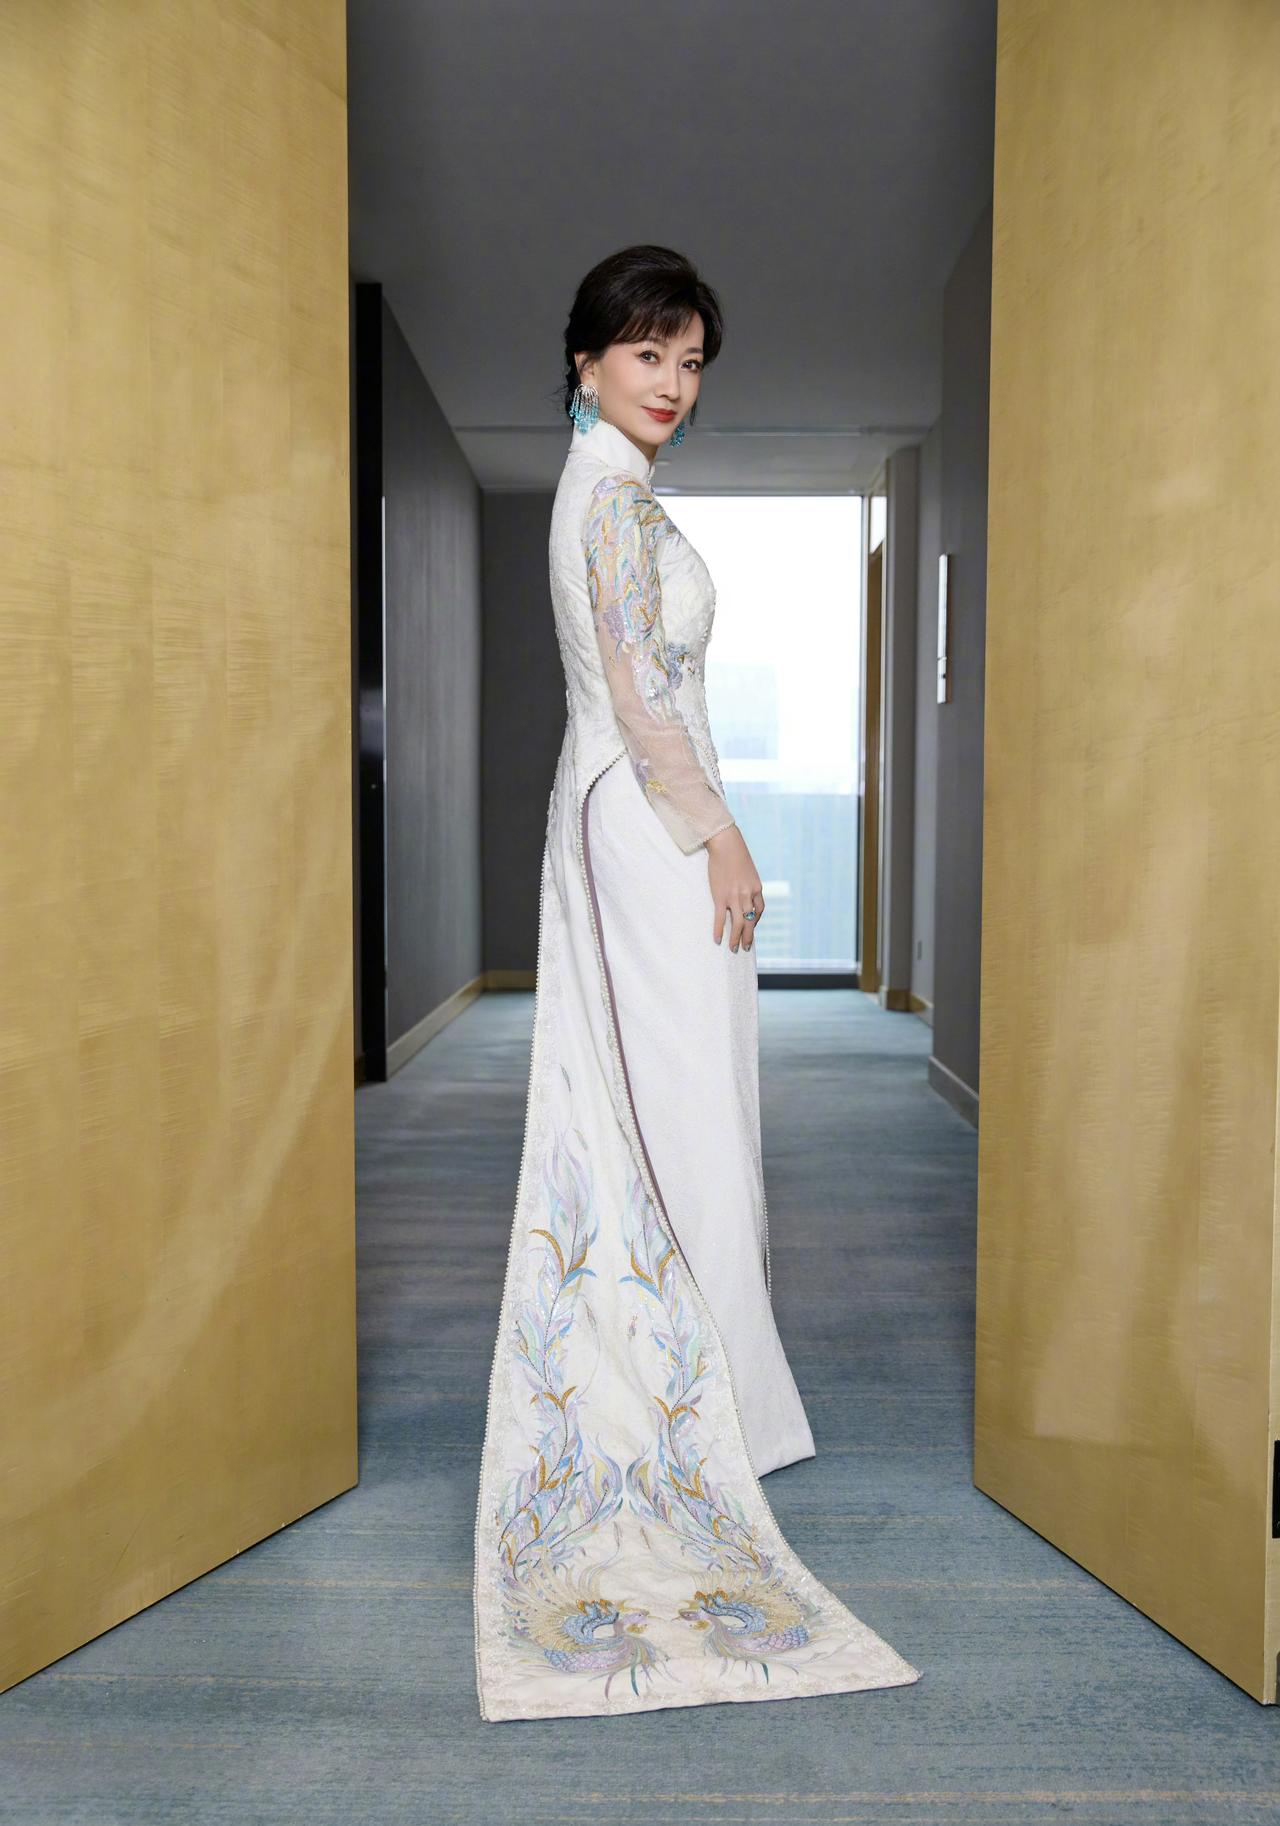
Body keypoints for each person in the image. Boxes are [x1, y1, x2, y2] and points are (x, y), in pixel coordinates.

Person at [473, 245, 921, 1721]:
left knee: (685, 1100)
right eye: (648, 353)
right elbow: (639, 688)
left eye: (691, 361)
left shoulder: (607, 484)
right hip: (648, 815)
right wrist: (722, 833)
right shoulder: (606, 496)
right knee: (682, 1108)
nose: (673, 383)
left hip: (630, 806)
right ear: (587, 359)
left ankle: (711, 1388)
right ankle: (698, 1405)